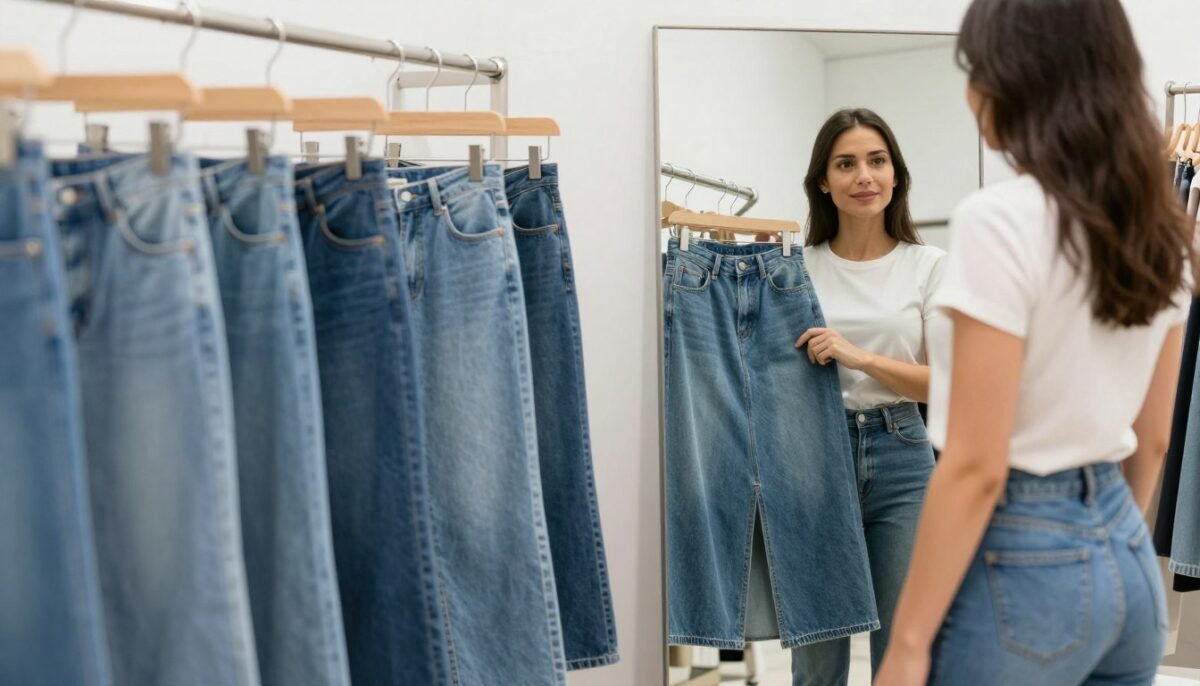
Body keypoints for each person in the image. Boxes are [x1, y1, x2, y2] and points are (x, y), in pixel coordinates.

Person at [874, 0, 1193, 684]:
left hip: (1023, 554)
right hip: (1127, 556)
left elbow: (976, 465)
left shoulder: (1000, 220)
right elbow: (1155, 438)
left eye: (976, 68)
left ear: (1017, 77)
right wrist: (1101, 545)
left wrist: (904, 648)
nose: (970, 91)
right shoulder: (1162, 228)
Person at [791, 108, 946, 685]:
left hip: (903, 453)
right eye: (847, 163)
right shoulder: (795, 270)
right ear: (823, 181)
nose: (864, 176)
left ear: (896, 175)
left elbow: (948, 381)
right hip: (812, 453)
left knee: (904, 648)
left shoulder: (928, 266)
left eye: (877, 161)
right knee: (817, 652)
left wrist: (859, 356)